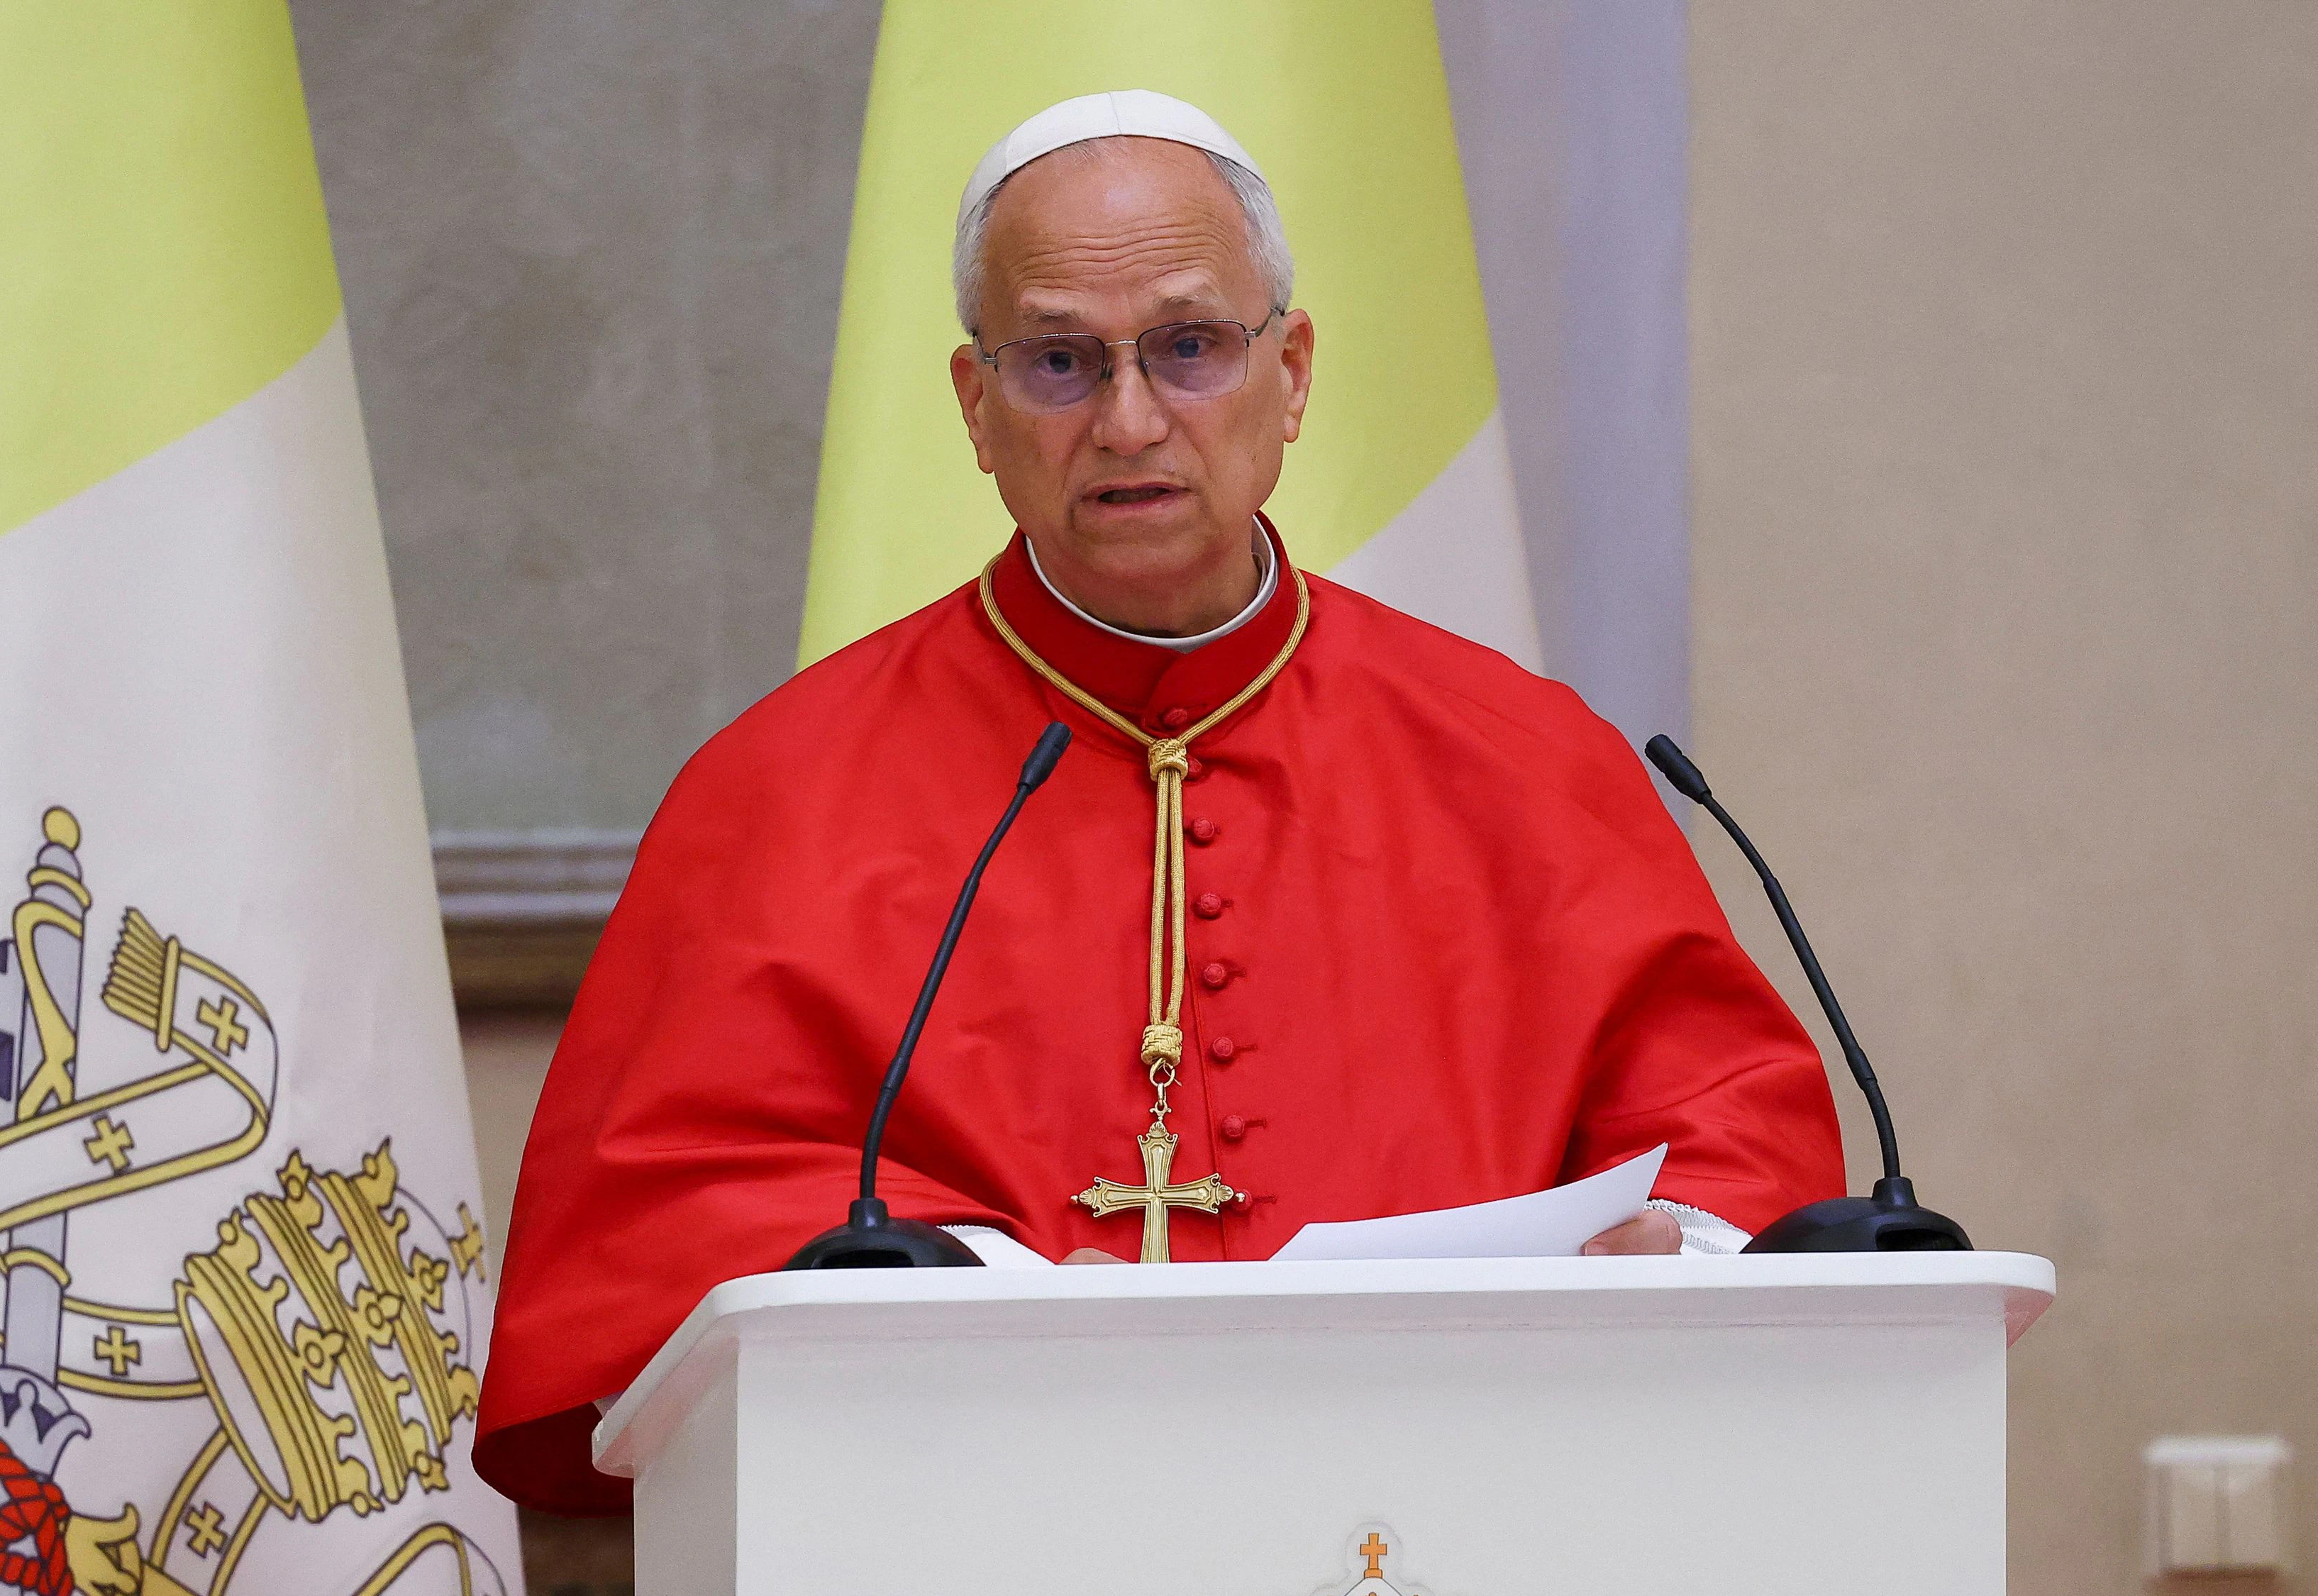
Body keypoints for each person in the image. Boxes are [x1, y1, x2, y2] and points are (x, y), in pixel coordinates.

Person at [473, 90, 1843, 1514]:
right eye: (1058, 361)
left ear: (1291, 373)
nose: (1128, 420)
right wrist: (974, 1287)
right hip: (954, 1515)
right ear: (975, 408)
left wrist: (1675, 1243)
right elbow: (656, 1222)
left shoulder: (1524, 760)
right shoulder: (776, 793)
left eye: (1188, 348)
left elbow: (1724, 1126)